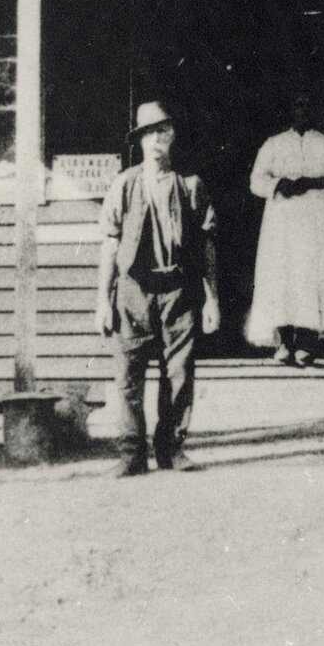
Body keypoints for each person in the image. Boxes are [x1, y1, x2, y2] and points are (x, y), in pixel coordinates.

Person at [95, 101, 220, 477]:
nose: (155, 140)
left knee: (178, 373)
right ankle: (132, 454)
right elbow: (110, 244)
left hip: (177, 289)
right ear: (140, 140)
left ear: (172, 136)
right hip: (133, 290)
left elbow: (208, 246)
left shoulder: (191, 185)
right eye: (148, 133)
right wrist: (102, 300)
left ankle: (171, 449)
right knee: (128, 375)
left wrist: (211, 298)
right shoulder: (124, 184)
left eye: (162, 131)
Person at [245, 92, 324, 366]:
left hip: (315, 220)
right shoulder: (274, 144)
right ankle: (285, 342)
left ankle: (308, 342)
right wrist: (278, 185)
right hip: (283, 222)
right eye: (297, 106)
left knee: (310, 274)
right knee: (283, 275)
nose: (302, 111)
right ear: (290, 111)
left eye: (307, 106)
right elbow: (256, 180)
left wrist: (314, 182)